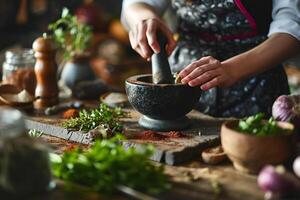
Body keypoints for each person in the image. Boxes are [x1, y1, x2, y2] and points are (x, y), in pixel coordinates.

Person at [121, 0, 300, 118]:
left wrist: (232, 69)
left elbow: (292, 31)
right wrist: (144, 19)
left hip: (256, 82)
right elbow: (136, 4)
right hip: (184, 83)